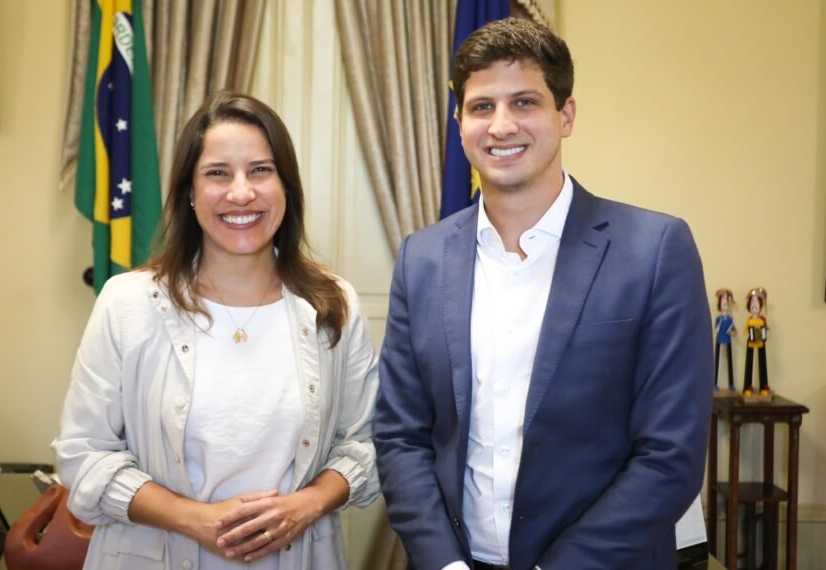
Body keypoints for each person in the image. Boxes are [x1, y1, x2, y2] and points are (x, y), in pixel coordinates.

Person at [374, 17, 712, 570]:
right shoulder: (422, 258)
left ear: (566, 115)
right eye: (482, 107)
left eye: (524, 102)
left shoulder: (654, 250)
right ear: (459, 122)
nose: (501, 126)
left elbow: (669, 457)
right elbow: (400, 436)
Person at [53, 92, 380, 570]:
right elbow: (83, 455)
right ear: (189, 190)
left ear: (286, 187)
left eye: (261, 170)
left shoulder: (334, 305)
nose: (241, 193)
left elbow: (365, 442)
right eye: (218, 173)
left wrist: (308, 504)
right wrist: (193, 519)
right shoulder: (127, 303)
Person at [742, 287, 769, 397]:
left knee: (762, 363)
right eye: (752, 301)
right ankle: (747, 386)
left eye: (757, 301)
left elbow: (765, 330)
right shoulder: (749, 321)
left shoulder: (762, 320)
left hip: (761, 343)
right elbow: (746, 331)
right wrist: (749, 333)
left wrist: (765, 331)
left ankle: (764, 386)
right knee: (749, 364)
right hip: (751, 343)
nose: (754, 304)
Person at [714, 288, 737, 390]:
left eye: (726, 303)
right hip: (719, 339)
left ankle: (731, 384)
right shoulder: (718, 319)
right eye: (723, 302)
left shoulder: (730, 319)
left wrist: (731, 332)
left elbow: (734, 331)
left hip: (728, 340)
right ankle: (714, 383)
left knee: (730, 362)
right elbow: (715, 329)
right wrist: (718, 327)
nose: (725, 304)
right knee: (717, 361)